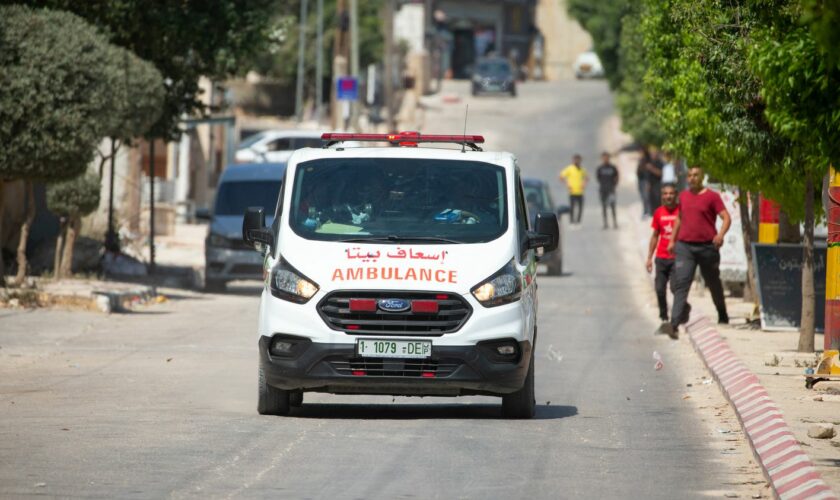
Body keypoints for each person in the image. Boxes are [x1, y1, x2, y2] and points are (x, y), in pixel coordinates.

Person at [666, 165, 731, 338]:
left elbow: (726, 217)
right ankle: (674, 324)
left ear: (702, 177)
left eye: (696, 175)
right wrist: (672, 240)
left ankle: (722, 313)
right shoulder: (684, 196)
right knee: (681, 284)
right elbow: (679, 218)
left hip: (707, 248)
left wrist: (720, 235)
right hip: (685, 247)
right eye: (690, 175)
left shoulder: (712, 197)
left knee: (713, 283)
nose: (692, 178)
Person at [646, 184, 679, 334]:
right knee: (659, 289)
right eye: (665, 194)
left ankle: (677, 317)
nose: (668, 196)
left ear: (675, 195)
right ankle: (664, 317)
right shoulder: (658, 212)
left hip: (678, 258)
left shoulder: (682, 212)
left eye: (671, 193)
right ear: (662, 196)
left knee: (675, 288)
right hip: (661, 257)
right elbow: (655, 236)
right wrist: (649, 258)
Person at [559, 154, 587, 225]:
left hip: (580, 192)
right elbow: (561, 176)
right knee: (572, 207)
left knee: (580, 207)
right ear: (573, 160)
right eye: (575, 160)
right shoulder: (570, 169)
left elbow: (586, 177)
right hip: (572, 192)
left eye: (578, 160)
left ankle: (578, 220)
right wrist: (567, 184)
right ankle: (572, 220)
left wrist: (584, 184)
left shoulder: (582, 169)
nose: (577, 161)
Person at [596, 151, 619, 229]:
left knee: (613, 207)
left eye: (607, 157)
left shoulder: (613, 167)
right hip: (603, 190)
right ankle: (605, 223)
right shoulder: (600, 168)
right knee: (604, 207)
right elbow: (598, 178)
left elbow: (617, 176)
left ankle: (615, 223)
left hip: (611, 190)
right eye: (604, 158)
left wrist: (613, 185)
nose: (605, 159)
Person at [637, 147, 652, 218]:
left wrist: (648, 182)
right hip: (640, 181)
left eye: (641, 152)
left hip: (645, 181)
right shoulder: (641, 160)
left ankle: (648, 211)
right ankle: (645, 211)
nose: (640, 153)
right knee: (643, 197)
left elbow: (647, 173)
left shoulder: (647, 161)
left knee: (646, 197)